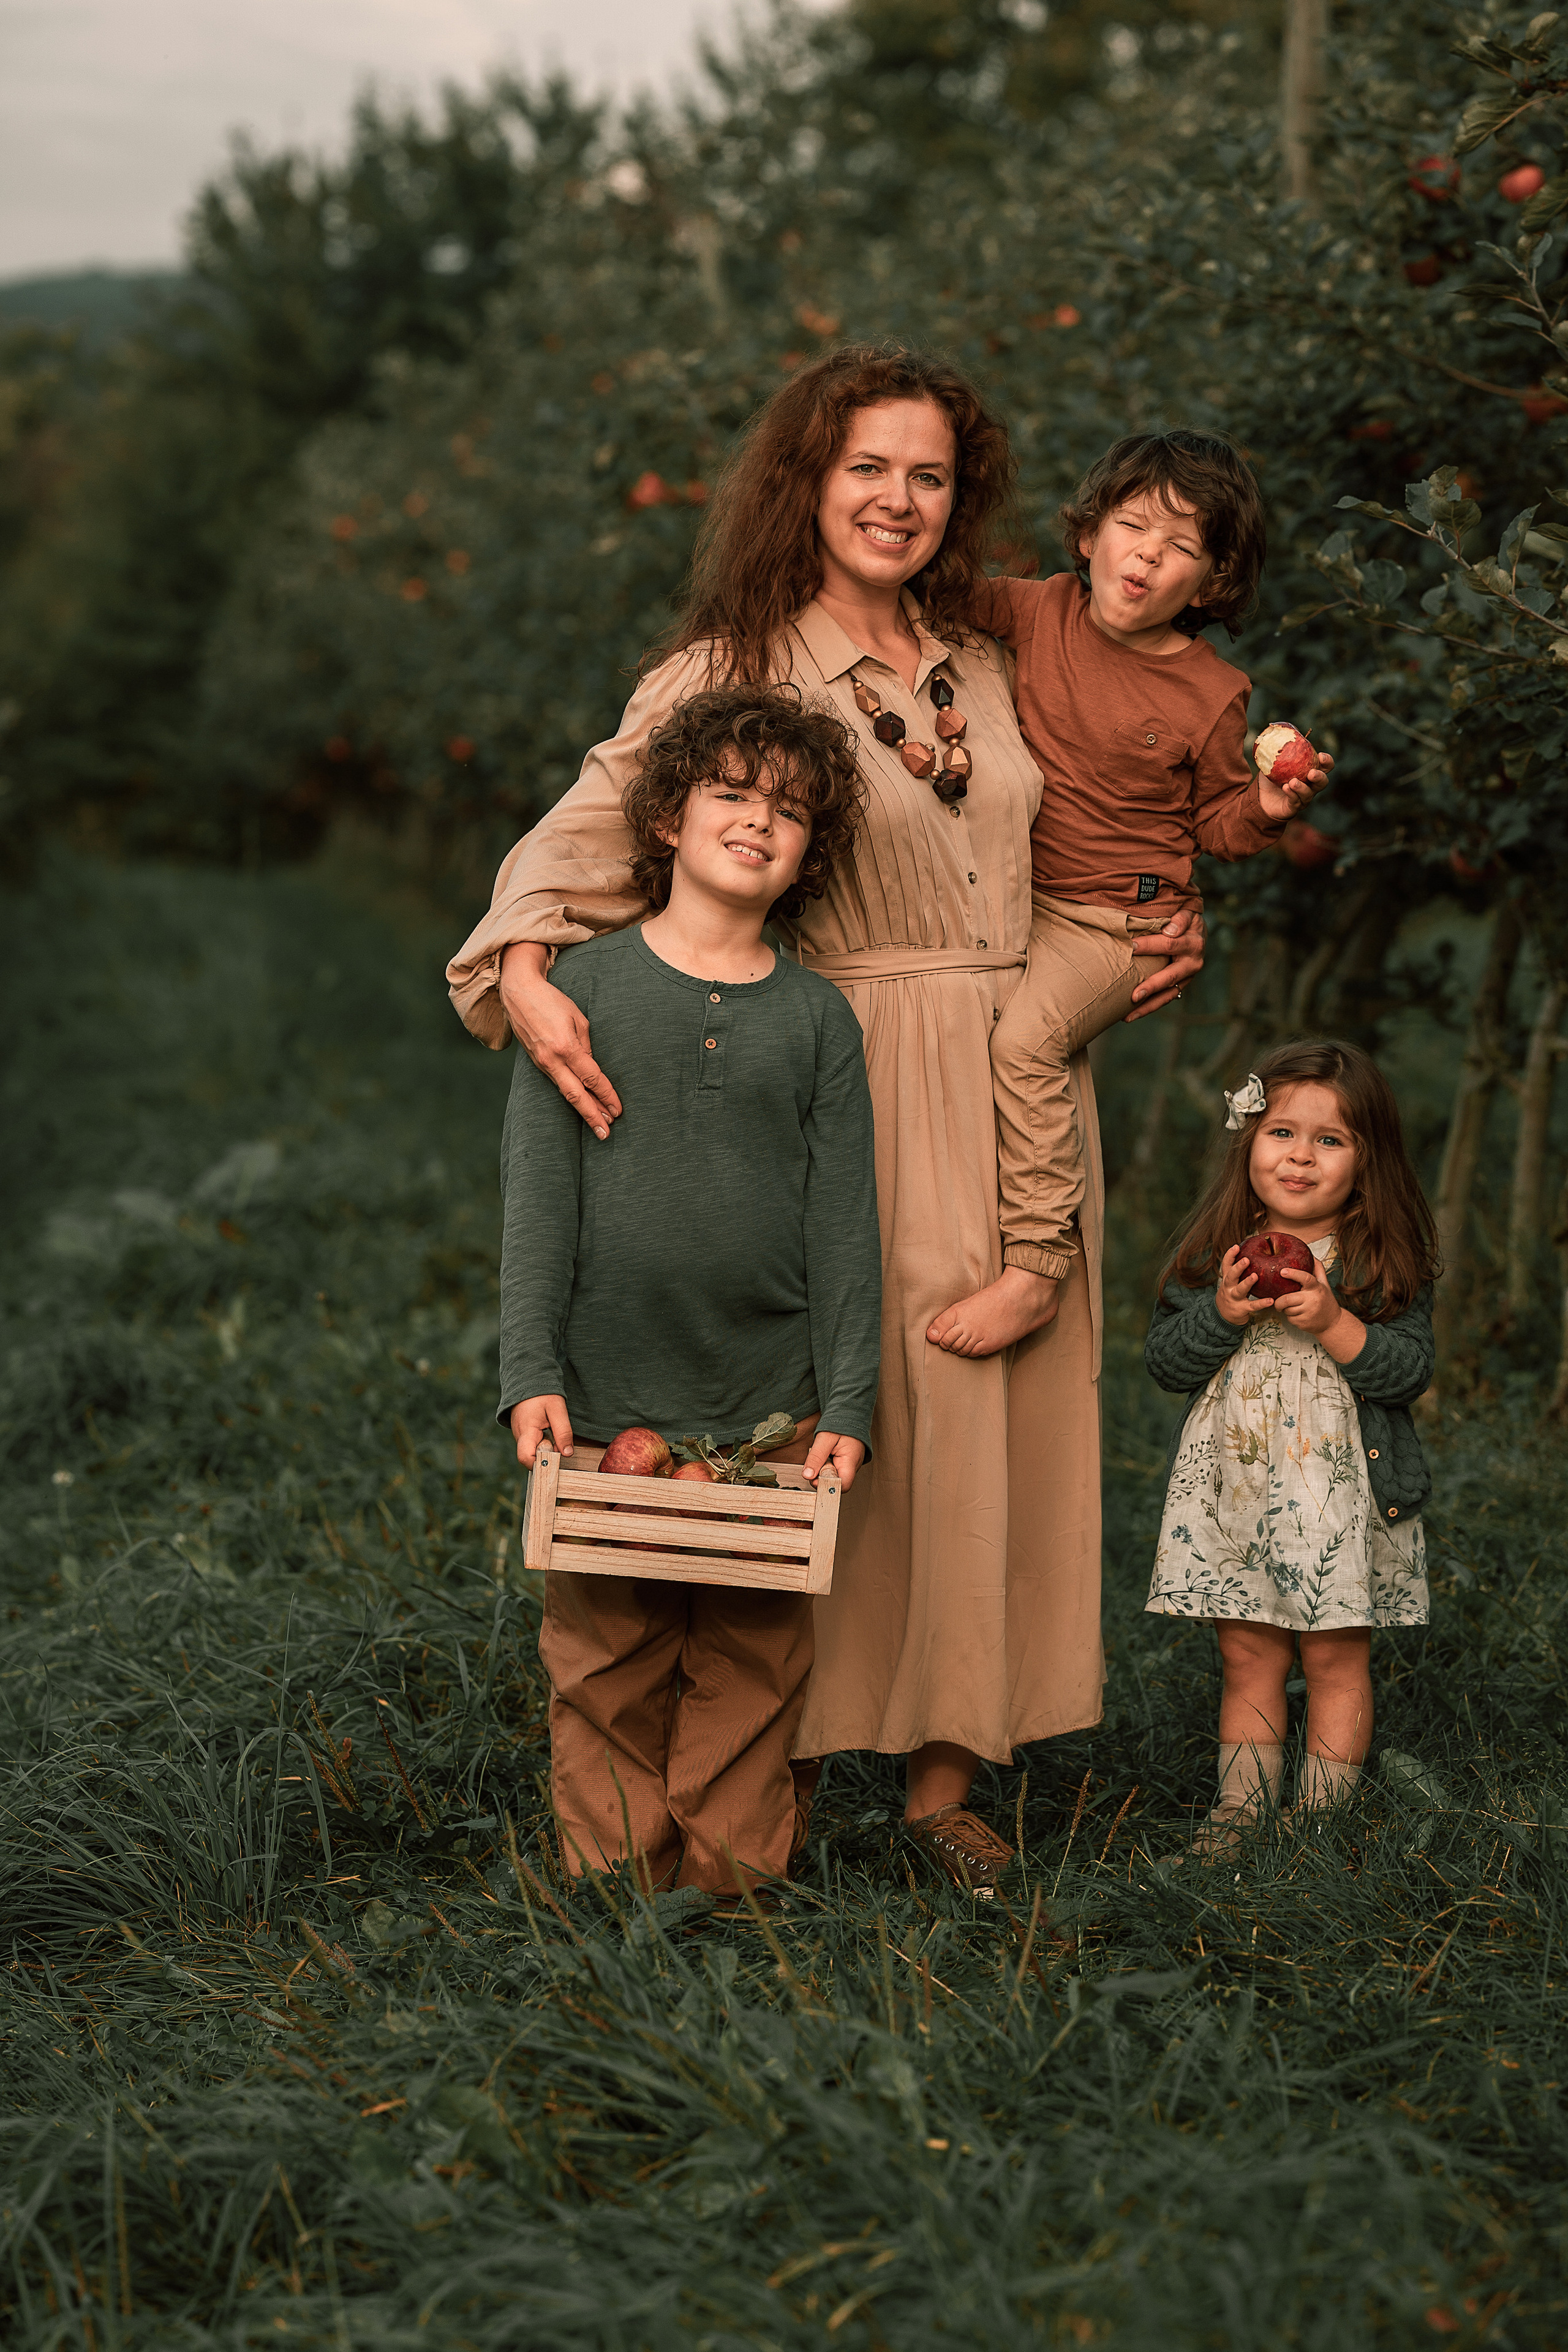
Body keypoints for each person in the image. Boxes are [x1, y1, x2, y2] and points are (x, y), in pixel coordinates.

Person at [450, 344, 1205, 1899]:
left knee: (988, 1437)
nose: (899, 499)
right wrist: (524, 964)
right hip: (840, 1061)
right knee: (856, 1414)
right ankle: (772, 1755)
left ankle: (948, 1778)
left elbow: (1102, 830)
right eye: (867, 466)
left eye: (929, 474)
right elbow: (596, 824)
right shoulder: (737, 661)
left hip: (1008, 1070)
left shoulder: (987, 653)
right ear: (808, 479)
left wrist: (1153, 929)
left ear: (962, 497)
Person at [500, 684, 880, 1901]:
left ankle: (729, 1890)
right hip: (612, 1393)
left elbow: (842, 1222)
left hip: (768, 1399)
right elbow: (538, 1198)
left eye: (787, 809)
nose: (755, 820)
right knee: (605, 1651)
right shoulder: (585, 995)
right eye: (729, 793)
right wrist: (531, 1371)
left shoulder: (818, 1021)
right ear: (665, 818)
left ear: (810, 850)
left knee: (752, 1654)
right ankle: (613, 1884)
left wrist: (850, 1399)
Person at [927, 430, 1335, 1359]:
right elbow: (928, 592)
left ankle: (1035, 1269)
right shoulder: (1032, 610)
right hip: (1019, 901)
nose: (1149, 553)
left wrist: (1267, 803)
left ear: (1213, 583)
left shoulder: (1211, 691)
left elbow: (1218, 825)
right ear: (1088, 534)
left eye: (1182, 545)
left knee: (1026, 1045)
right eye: (1134, 524)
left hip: (1124, 925)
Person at [1143, 1039, 1439, 1858]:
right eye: (1281, 1133)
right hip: (1238, 1492)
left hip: (1340, 1497)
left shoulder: (1380, 1262)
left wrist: (1336, 1323)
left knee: (1338, 1652)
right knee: (1247, 1650)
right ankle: (1238, 1816)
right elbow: (1165, 1362)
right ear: (1248, 1143)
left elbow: (1408, 1371)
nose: (1301, 1155)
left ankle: (1318, 1825)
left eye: (1330, 1140)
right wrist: (1225, 1314)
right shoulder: (1218, 1257)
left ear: (1365, 1162)